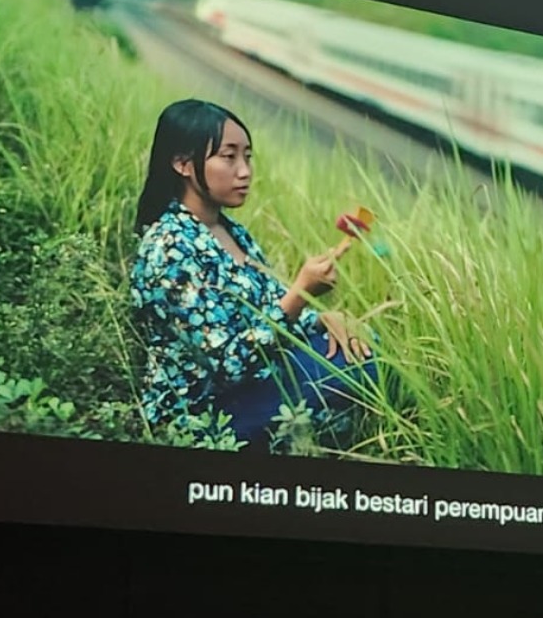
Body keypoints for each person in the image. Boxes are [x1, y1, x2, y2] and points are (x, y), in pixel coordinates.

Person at [129, 99, 379, 448]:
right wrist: (299, 293)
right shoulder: (169, 247)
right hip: (204, 415)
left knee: (361, 341)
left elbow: (263, 316)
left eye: (248, 156)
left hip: (254, 385)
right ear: (183, 164)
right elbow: (230, 364)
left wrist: (323, 318)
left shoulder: (231, 232)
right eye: (229, 157)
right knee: (358, 365)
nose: (244, 171)